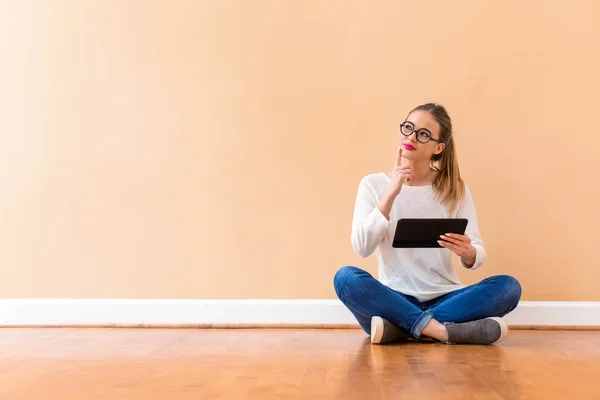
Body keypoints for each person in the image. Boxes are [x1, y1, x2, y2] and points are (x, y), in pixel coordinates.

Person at [333, 103, 521, 345]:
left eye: (423, 134)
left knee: (508, 287)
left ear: (438, 147)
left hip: (446, 297)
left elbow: (477, 255)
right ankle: (442, 331)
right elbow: (362, 247)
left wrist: (469, 253)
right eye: (408, 128)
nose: (411, 137)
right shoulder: (373, 185)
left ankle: (401, 329)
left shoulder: (454, 189)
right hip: (395, 298)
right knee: (346, 278)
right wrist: (391, 193)